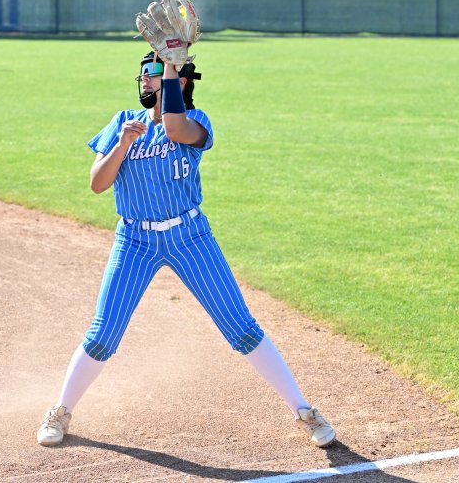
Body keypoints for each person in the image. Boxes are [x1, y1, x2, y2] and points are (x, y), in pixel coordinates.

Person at [36, 51, 336, 449]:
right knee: (103, 334)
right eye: (143, 73)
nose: (145, 79)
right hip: (135, 240)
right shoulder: (123, 121)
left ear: (179, 81)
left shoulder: (197, 122)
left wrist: (172, 64)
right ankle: (60, 411)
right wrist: (123, 143)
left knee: (241, 328)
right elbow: (97, 183)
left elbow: (175, 129)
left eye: (153, 72)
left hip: (190, 237)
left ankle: (304, 411)